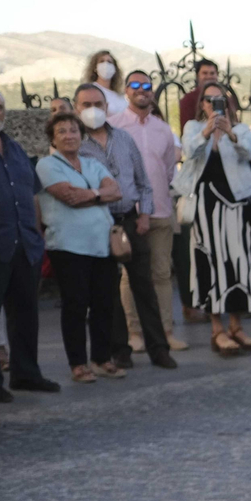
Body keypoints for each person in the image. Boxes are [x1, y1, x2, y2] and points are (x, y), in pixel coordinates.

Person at [72, 83, 173, 371]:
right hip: (98, 222)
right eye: (86, 105)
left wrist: (144, 215)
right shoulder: (76, 145)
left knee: (145, 287)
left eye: (98, 104)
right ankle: (120, 350)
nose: (93, 110)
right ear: (77, 108)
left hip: (130, 220)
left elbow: (144, 183)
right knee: (108, 292)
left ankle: (159, 349)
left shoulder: (124, 139)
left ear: (106, 107)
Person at [175, 83, 251, 355]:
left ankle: (236, 326)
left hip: (237, 201)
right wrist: (207, 131)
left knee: (239, 261)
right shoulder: (193, 127)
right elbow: (188, 152)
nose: (214, 104)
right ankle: (217, 329)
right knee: (211, 262)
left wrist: (230, 134)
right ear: (201, 104)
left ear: (228, 104)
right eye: (209, 100)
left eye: (220, 100)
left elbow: (248, 153)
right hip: (206, 202)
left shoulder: (240, 129)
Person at [38, 111, 123, 383]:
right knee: (75, 306)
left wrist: (92, 194)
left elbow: (116, 191)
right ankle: (77, 364)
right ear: (53, 139)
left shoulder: (92, 164)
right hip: (68, 247)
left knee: (104, 304)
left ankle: (101, 358)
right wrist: (100, 195)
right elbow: (68, 197)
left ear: (81, 135)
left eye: (73, 130)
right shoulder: (46, 165)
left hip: (102, 245)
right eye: (61, 131)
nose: (69, 136)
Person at [0, 86, 56, 400]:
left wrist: (36, 235)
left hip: (25, 245)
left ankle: (26, 374)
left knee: (26, 314)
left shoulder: (14, 148)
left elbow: (31, 195)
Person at [110, 69, 187, 356]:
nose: (141, 89)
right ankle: (135, 333)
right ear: (126, 91)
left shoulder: (163, 129)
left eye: (147, 85)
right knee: (130, 277)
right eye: (135, 84)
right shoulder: (113, 126)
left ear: (152, 92)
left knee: (162, 274)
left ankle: (166, 333)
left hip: (160, 210)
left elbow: (168, 170)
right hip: (128, 212)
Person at [82, 50, 127, 117]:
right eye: (102, 61)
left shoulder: (120, 95)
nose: (106, 65)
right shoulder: (91, 90)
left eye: (109, 62)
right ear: (95, 67)